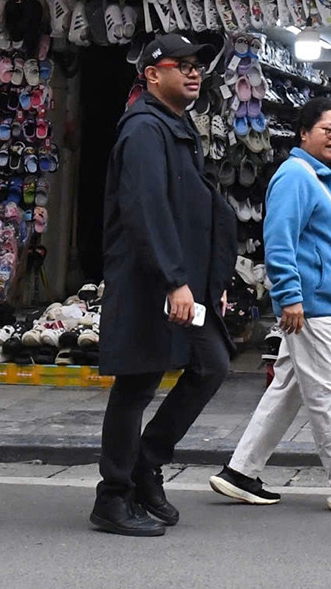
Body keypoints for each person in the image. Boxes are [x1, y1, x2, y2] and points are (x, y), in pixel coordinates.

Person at [210, 95, 331, 516]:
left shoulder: (323, 176)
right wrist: (289, 297)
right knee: (329, 393)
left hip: (320, 302)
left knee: (288, 390)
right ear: (303, 133)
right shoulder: (294, 176)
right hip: (310, 305)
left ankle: (240, 472)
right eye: (327, 130)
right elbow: (279, 242)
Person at [91, 34, 238, 537]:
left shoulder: (174, 125)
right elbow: (146, 210)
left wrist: (205, 281)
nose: (195, 72)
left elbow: (191, 212)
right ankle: (112, 497)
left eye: (199, 65)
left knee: (211, 362)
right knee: (136, 383)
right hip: (151, 283)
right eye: (183, 65)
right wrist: (176, 281)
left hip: (182, 283)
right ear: (153, 74)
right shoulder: (144, 131)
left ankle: (144, 464)